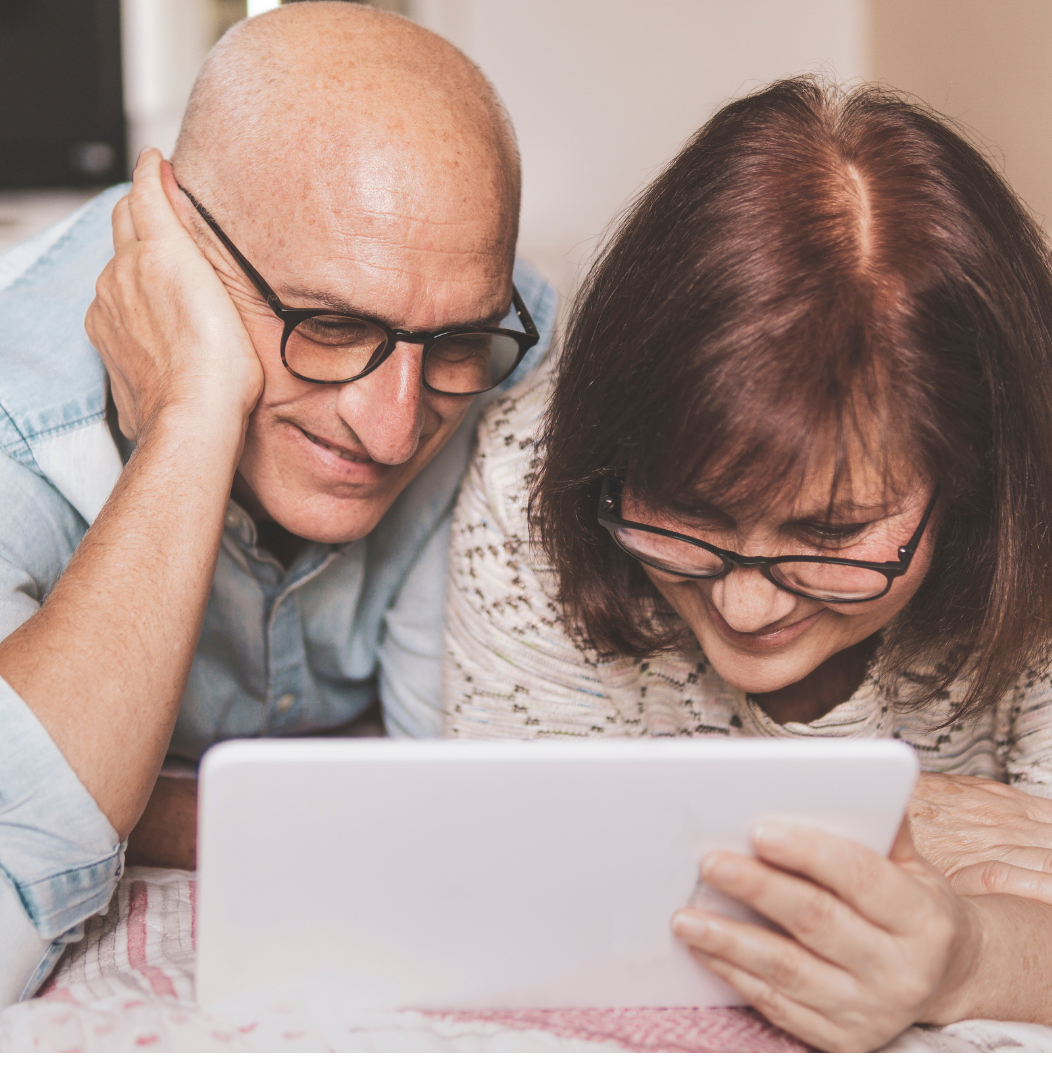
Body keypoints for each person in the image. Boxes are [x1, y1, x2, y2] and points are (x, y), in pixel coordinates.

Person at [443, 78, 1052, 1051]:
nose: (743, 600)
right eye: (686, 513)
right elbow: (517, 873)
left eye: (829, 533)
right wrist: (870, 812)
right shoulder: (535, 476)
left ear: (979, 480)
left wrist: (971, 957)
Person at [0, 3, 555, 1014]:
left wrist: (162, 803)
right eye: (328, 327)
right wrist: (190, 419)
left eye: (455, 341)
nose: (391, 427)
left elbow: (516, 791)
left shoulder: (513, 346)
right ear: (173, 241)